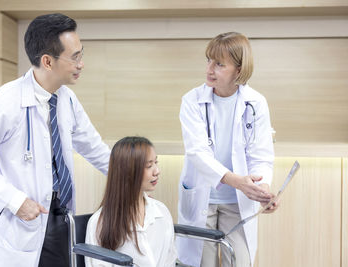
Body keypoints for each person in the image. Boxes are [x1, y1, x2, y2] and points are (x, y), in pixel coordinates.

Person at [0, 13, 111, 267]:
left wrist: (131, 175)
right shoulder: (3, 104)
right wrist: (16, 202)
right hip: (18, 223)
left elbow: (94, 148)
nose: (82, 63)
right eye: (75, 57)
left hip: (58, 219)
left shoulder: (67, 99)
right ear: (47, 61)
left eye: (81, 54)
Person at [177, 32, 278, 267]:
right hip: (203, 198)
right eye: (208, 60)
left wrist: (261, 191)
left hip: (237, 202)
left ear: (239, 70)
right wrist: (238, 181)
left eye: (219, 64)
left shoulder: (256, 103)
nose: (209, 69)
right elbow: (197, 152)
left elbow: (261, 156)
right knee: (203, 262)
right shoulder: (191, 101)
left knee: (240, 261)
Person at [85, 136, 177, 267]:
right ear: (128, 172)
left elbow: (170, 258)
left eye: (156, 163)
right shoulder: (100, 222)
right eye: (149, 166)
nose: (157, 171)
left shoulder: (161, 211)